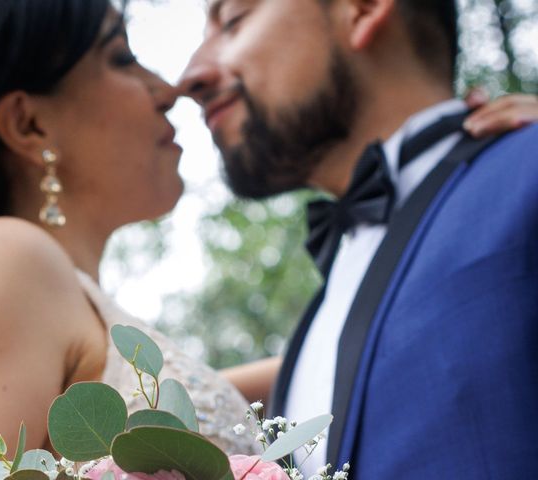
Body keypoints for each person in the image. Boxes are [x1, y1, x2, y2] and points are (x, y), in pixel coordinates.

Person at [0, 1, 258, 476]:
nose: (169, 90)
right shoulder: (4, 258)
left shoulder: (46, 295)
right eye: (120, 57)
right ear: (30, 124)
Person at [180, 0, 538, 477]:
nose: (190, 76)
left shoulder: (526, 171)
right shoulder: (322, 316)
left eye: (233, 21)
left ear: (363, 9)